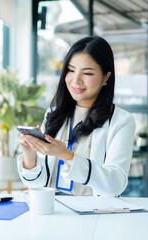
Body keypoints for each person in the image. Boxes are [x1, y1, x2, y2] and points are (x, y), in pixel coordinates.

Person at [17, 36, 135, 197]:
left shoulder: (121, 121)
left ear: (106, 77)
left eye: (87, 73)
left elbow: (114, 185)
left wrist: (65, 154)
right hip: (52, 211)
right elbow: (36, 183)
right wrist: (29, 154)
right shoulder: (54, 113)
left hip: (92, 216)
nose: (76, 80)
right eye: (71, 70)